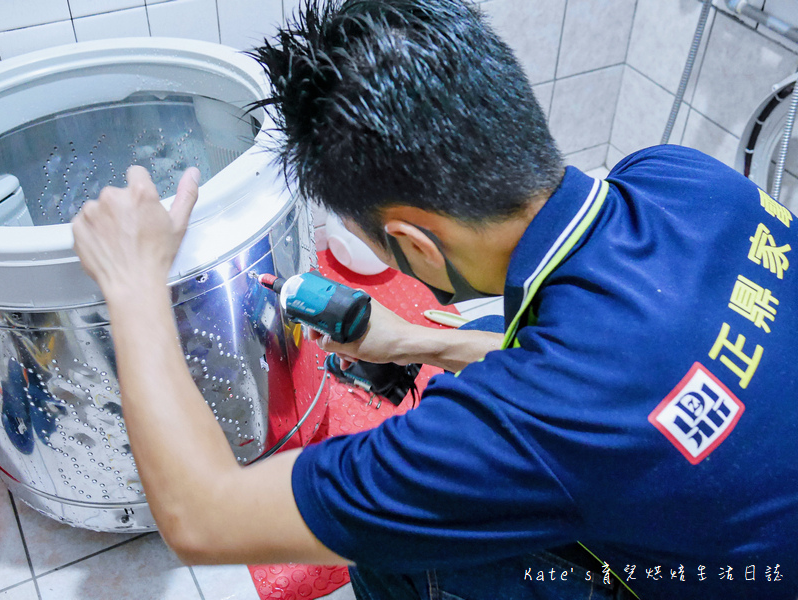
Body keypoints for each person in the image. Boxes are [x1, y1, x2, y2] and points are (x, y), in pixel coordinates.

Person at [71, 0, 798, 598]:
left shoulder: (523, 425)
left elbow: (202, 516)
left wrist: (133, 285)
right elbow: (634, 381)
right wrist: (421, 341)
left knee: (387, 549)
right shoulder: (682, 179)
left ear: (416, 248)